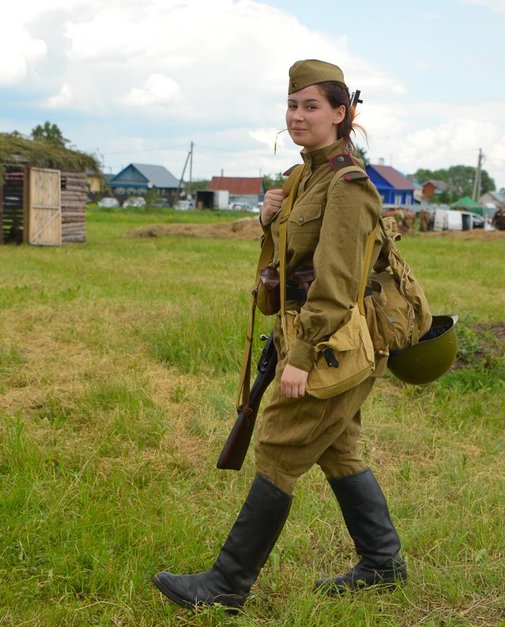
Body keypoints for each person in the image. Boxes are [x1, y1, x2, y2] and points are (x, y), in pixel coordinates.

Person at [152, 59, 406, 611]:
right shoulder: (304, 175)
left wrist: (300, 356)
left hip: (334, 341)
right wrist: (272, 218)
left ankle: (225, 586)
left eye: (311, 106)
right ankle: (383, 564)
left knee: (276, 447)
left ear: (342, 114)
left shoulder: (348, 184)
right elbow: (295, 261)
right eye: (292, 105)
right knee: (339, 450)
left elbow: (337, 285)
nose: (297, 116)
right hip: (316, 335)